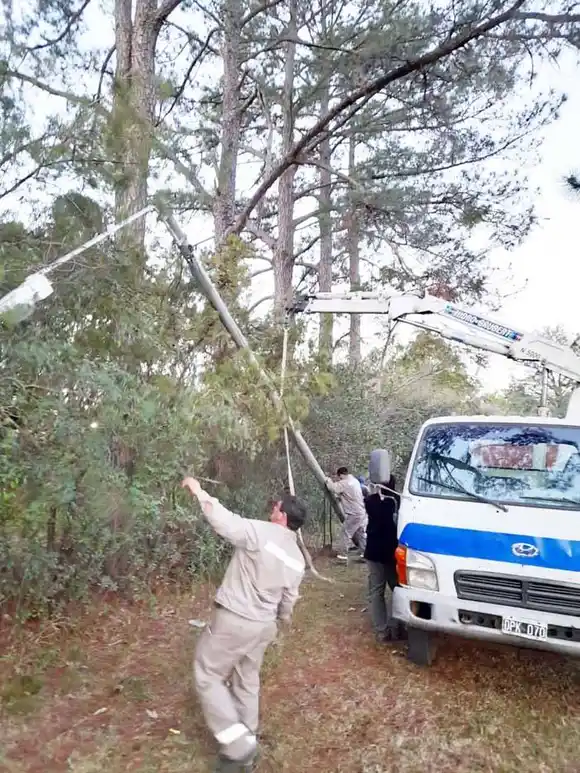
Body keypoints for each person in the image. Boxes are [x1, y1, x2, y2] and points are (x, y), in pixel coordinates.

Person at [181, 477, 307, 773]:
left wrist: (199, 491)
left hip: (236, 619)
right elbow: (289, 600)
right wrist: (282, 621)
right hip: (264, 626)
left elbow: (224, 521)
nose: (272, 508)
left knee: (207, 674)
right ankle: (246, 746)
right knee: (246, 679)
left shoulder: (259, 532)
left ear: (283, 515)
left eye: (275, 506)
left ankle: (238, 747)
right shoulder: (297, 558)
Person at [363, 475, 406, 643]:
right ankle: (400, 626)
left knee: (376, 592)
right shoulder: (398, 502)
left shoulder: (372, 502)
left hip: (375, 553)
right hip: (391, 553)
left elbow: (371, 501)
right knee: (397, 589)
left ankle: (383, 631)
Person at [325, 466, 368, 564]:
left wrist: (328, 480)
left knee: (346, 533)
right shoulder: (354, 481)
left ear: (341, 475)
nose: (339, 479)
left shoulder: (345, 483)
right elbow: (347, 494)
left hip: (354, 513)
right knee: (360, 534)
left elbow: (332, 487)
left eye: (339, 477)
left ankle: (342, 556)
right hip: (361, 512)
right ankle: (366, 554)